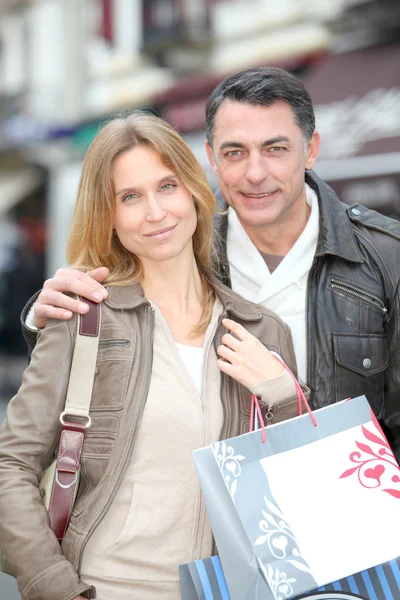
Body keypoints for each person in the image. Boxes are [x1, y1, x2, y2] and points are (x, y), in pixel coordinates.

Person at [0, 112, 302, 600]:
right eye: (130, 197)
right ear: (109, 215)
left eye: (166, 186)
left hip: (232, 591)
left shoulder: (262, 331)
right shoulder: (83, 318)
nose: (156, 212)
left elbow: (295, 494)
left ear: (193, 193)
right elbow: (11, 464)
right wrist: (54, 587)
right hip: (108, 588)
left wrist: (286, 398)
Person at [26, 67, 400, 459]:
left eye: (275, 149)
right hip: (206, 513)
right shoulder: (181, 244)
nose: (255, 174)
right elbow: (101, 344)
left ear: (310, 149)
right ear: (211, 158)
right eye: (235, 152)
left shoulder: (385, 257)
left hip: (345, 505)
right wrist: (41, 317)